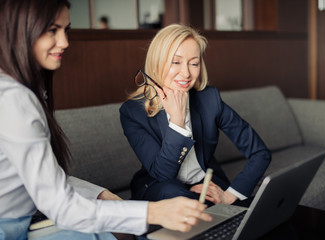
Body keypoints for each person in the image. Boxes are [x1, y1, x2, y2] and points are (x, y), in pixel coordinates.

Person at [0, 1, 211, 239]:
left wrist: (100, 193)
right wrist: (153, 211)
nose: (65, 42)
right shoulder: (13, 100)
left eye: (65, 30)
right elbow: (60, 205)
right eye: (52, 30)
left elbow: (42, 174)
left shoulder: (25, 91)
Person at [120, 24, 272, 207]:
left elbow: (260, 152)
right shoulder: (132, 112)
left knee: (251, 213)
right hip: (161, 189)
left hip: (206, 185)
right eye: (176, 62)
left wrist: (231, 195)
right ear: (156, 62)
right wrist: (177, 121)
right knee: (176, 196)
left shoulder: (209, 100)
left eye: (194, 63)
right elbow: (163, 175)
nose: (186, 73)